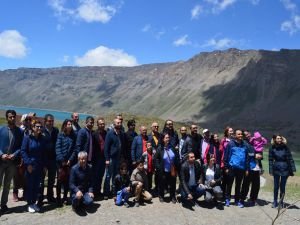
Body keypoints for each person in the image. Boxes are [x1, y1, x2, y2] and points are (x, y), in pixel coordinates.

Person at [0, 110, 23, 214]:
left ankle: (3, 205)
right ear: (7, 118)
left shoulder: (19, 131)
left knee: (7, 184)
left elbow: (21, 146)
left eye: (14, 117)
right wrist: (1, 154)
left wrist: (15, 154)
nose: (13, 118)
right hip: (1, 161)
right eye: (10, 117)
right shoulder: (1, 129)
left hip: (12, 162)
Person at [21, 120, 47, 213]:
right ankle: (29, 203)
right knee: (30, 185)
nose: (39, 128)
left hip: (39, 166)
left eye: (40, 127)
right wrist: (28, 164)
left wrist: (44, 166)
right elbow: (23, 151)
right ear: (32, 127)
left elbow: (44, 153)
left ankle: (34, 203)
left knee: (37, 186)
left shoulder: (42, 139)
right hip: (30, 166)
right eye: (37, 126)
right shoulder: (27, 138)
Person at [223, 129, 250, 208]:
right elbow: (226, 156)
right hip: (231, 168)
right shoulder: (230, 144)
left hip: (241, 169)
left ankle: (237, 200)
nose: (240, 135)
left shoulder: (245, 145)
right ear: (235, 135)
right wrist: (226, 167)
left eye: (241, 134)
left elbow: (247, 158)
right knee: (229, 184)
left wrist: (247, 169)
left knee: (238, 185)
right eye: (238, 134)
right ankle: (227, 199)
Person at [269, 134, 296, 208]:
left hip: (285, 168)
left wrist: (293, 169)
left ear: (282, 139)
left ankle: (281, 202)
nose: (279, 140)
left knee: (282, 186)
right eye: (278, 138)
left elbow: (290, 158)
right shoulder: (272, 148)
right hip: (276, 168)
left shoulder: (286, 148)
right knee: (276, 186)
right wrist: (271, 170)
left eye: (280, 138)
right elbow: (270, 160)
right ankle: (274, 201)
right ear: (275, 139)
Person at [103, 117, 127, 200]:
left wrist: (123, 158)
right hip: (111, 159)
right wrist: (107, 159)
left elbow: (123, 146)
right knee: (108, 176)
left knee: (116, 177)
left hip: (118, 158)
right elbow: (106, 147)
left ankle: (114, 192)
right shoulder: (110, 133)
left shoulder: (122, 134)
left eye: (120, 123)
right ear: (114, 124)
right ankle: (106, 193)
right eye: (117, 123)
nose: (119, 124)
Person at [55, 119, 77, 206]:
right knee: (60, 180)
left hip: (69, 162)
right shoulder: (60, 135)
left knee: (67, 180)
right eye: (68, 124)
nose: (70, 125)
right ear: (65, 125)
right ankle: (58, 198)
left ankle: (65, 197)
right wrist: (62, 161)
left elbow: (75, 150)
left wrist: (70, 160)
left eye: (71, 124)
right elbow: (58, 148)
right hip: (60, 162)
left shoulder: (73, 136)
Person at [40, 114, 59, 204]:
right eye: (49, 121)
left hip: (53, 159)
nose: (51, 122)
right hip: (43, 159)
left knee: (51, 180)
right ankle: (40, 198)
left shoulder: (56, 131)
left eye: (52, 121)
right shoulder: (41, 130)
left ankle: (50, 196)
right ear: (45, 121)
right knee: (41, 180)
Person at [156, 133, 179, 204]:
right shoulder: (160, 148)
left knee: (172, 184)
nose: (168, 139)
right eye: (166, 138)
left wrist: (176, 166)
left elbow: (176, 157)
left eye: (168, 137)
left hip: (172, 170)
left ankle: (172, 196)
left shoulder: (172, 147)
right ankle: (161, 196)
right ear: (163, 139)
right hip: (163, 170)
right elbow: (156, 159)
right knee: (162, 184)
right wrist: (159, 167)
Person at [240, 130, 262, 207]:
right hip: (249, 167)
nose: (248, 135)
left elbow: (260, 153)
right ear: (243, 136)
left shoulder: (254, 142)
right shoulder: (244, 144)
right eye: (246, 135)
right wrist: (254, 155)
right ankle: (242, 200)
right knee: (246, 185)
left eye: (248, 134)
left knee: (256, 185)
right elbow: (244, 155)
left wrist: (260, 156)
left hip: (256, 167)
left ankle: (253, 199)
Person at [92, 117, 107, 197]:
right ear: (97, 125)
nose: (102, 125)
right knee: (95, 175)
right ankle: (94, 192)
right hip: (96, 158)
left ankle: (98, 191)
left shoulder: (106, 133)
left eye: (103, 124)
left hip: (104, 157)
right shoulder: (94, 134)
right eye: (100, 124)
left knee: (101, 175)